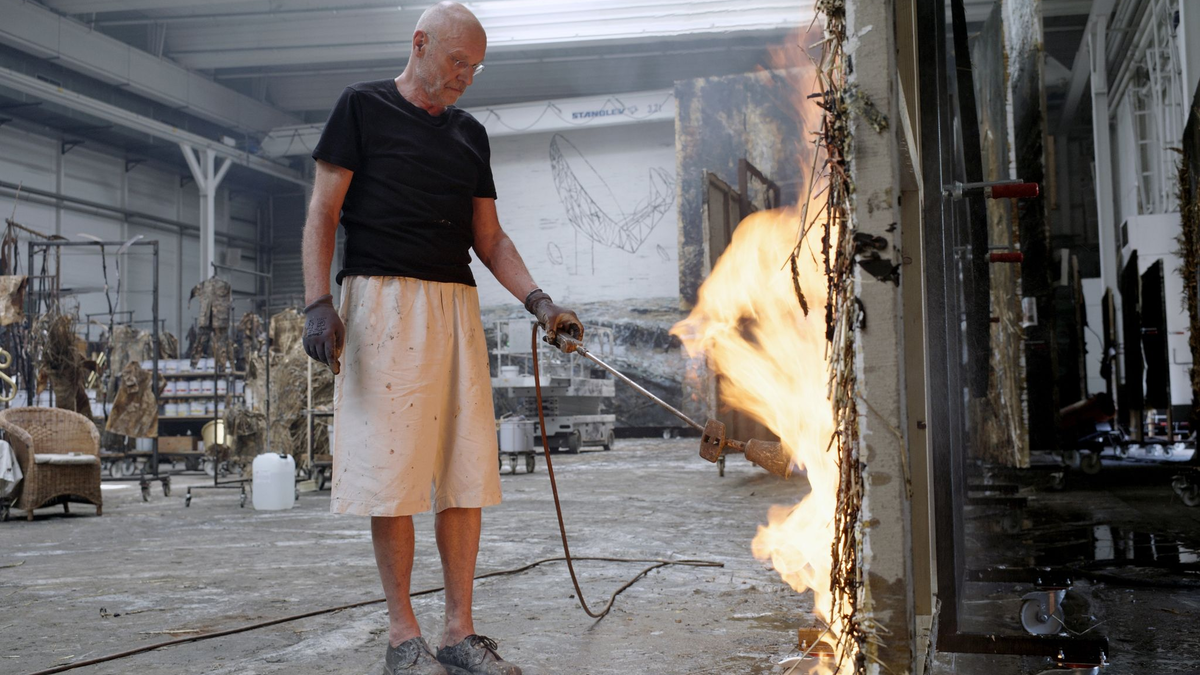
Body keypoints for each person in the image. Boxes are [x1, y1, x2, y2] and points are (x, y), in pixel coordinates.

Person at [299, 3, 583, 673]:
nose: (467, 78)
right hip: (382, 303)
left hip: (455, 308)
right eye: (459, 63)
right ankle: (404, 637)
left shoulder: (469, 134)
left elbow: (489, 237)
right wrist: (318, 303)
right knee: (391, 476)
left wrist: (540, 301)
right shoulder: (361, 108)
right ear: (420, 44)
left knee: (464, 472)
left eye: (475, 68)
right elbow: (322, 212)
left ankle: (459, 631)